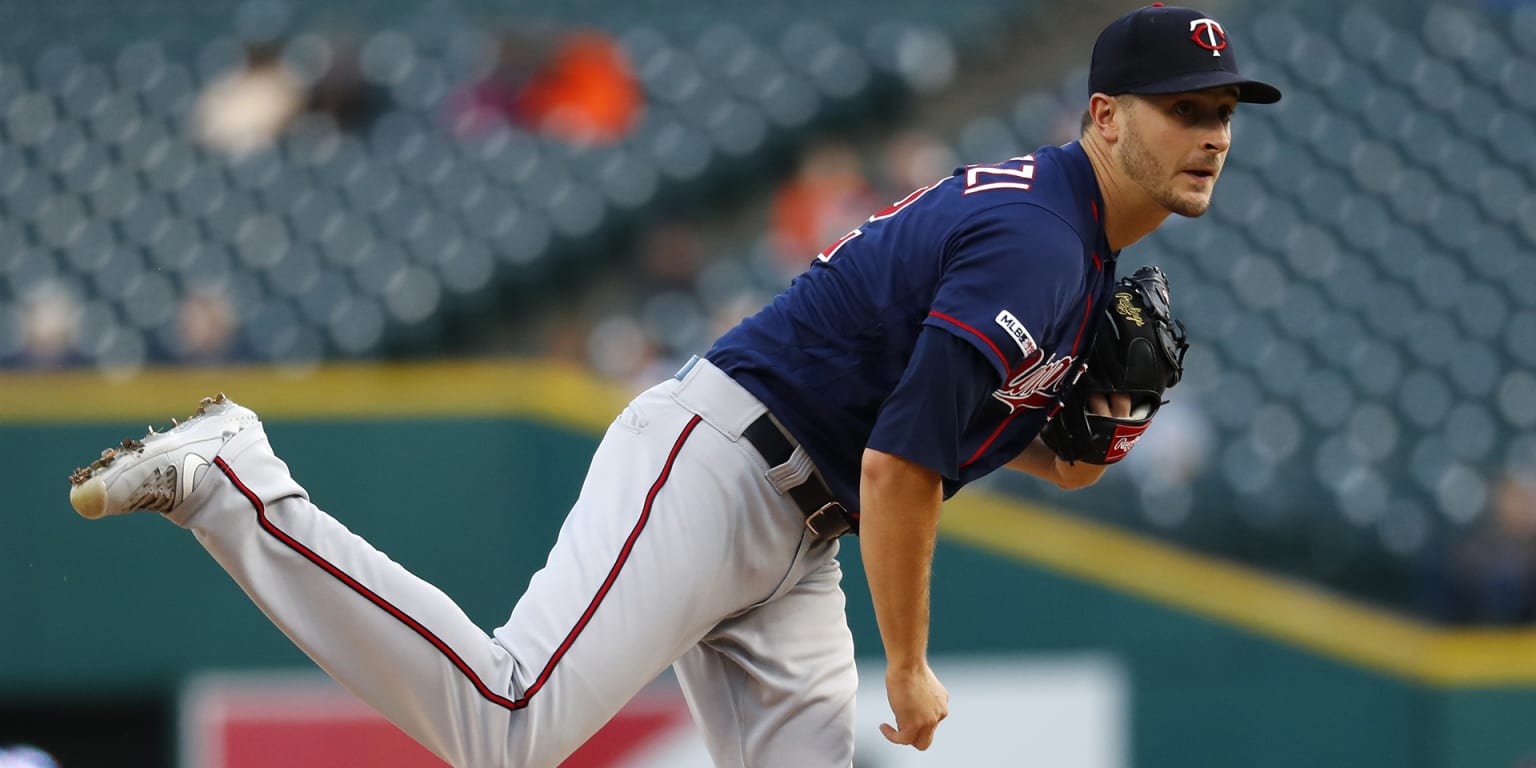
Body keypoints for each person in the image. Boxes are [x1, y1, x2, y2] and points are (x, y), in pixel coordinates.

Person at [66, 6, 1279, 766]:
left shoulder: (1068, 253)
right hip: (721, 467)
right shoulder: (1041, 245)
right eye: (1187, 109)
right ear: (1107, 116)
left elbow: (982, 426)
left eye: (1223, 110)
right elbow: (902, 464)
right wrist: (905, 664)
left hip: (795, 529)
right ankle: (238, 481)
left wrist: (1087, 440)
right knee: (508, 725)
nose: (1212, 132)